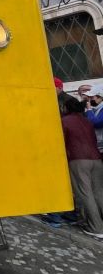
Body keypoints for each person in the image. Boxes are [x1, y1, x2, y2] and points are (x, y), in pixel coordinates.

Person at [61, 96, 103, 239]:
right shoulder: (87, 121)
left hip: (78, 159)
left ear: (66, 108)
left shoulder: (64, 121)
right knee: (99, 192)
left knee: (86, 193)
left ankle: (96, 228)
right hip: (96, 159)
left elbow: (62, 141)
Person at [84, 85, 103, 153]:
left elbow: (97, 123)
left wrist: (89, 109)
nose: (90, 100)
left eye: (92, 97)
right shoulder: (95, 109)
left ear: (100, 98)